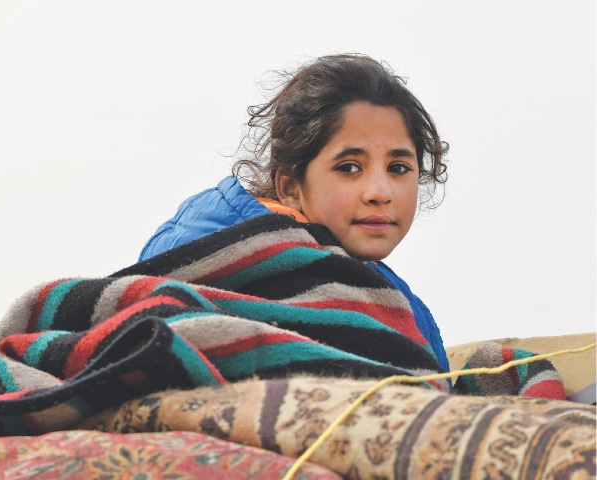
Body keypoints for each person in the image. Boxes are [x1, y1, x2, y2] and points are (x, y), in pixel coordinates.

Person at [138, 54, 450, 371]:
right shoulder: (206, 253)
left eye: (398, 168)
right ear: (290, 186)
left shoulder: (390, 296)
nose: (379, 193)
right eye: (349, 168)